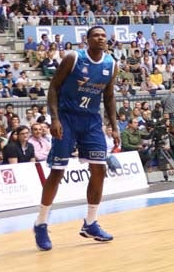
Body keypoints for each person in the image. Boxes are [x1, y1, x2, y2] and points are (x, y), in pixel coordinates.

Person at [33, 26, 121, 251]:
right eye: (96, 35)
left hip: (91, 120)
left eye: (103, 35)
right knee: (58, 171)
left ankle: (90, 223)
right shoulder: (74, 58)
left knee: (99, 169)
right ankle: (41, 223)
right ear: (87, 40)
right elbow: (53, 88)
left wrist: (114, 125)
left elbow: (109, 97)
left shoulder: (111, 64)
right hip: (67, 118)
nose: (101, 38)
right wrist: (54, 119)